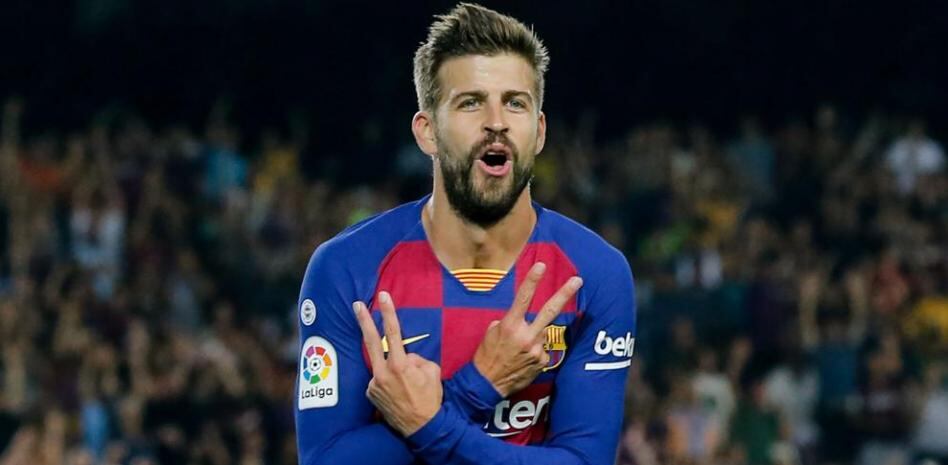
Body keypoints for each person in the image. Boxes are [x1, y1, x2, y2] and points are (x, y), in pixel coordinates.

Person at [294, 3, 637, 464]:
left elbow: (584, 461)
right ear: (427, 132)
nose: (496, 121)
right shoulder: (346, 268)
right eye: (471, 102)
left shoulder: (594, 274)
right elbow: (326, 460)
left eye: (515, 102)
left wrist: (430, 421)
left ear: (538, 132)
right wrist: (479, 385)